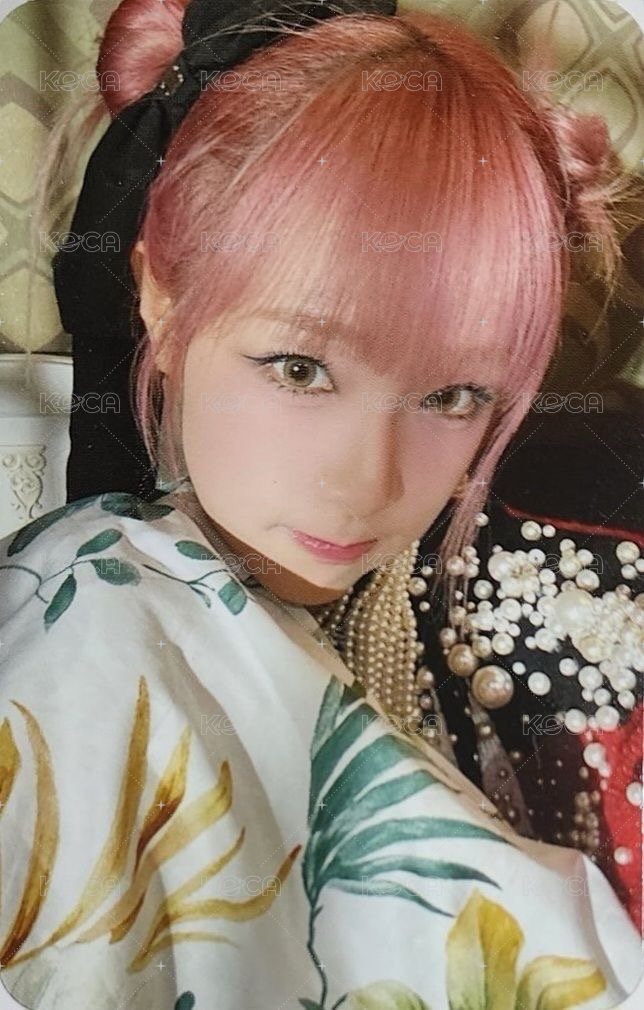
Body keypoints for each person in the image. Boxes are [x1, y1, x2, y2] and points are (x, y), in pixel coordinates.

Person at [0, 1, 642, 1008]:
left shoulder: (589, 588)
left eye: (452, 395)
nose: (367, 482)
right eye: (299, 368)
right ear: (162, 296)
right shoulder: (72, 620)